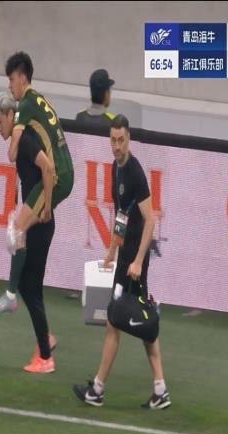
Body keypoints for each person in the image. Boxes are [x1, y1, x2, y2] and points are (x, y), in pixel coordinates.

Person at [73, 115, 171, 410]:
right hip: (125, 257)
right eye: (113, 140)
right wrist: (112, 251)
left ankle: (99, 389)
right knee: (127, 321)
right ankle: (159, 389)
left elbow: (150, 219)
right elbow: (121, 215)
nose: (116, 146)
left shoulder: (135, 173)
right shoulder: (115, 169)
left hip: (134, 263)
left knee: (122, 322)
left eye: (121, 140)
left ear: (128, 140)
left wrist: (138, 261)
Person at [0, 51, 74, 315]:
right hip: (65, 171)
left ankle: (11, 294)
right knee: (19, 228)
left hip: (57, 177)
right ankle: (16, 290)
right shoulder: (39, 100)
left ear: (23, 78)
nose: (10, 86)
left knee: (16, 229)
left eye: (11, 80)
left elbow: (12, 152)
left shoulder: (25, 105)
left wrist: (47, 206)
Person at [0, 91, 58, 373]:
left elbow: (49, 168)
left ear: (11, 115)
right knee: (31, 288)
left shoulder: (28, 140)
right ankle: (45, 340)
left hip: (41, 223)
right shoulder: (20, 142)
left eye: (0, 121)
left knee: (30, 287)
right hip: (35, 220)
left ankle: (46, 357)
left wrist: (47, 207)